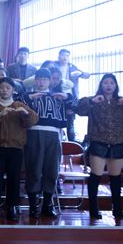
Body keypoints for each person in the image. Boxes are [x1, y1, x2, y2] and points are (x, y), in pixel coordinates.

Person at [0, 77, 38, 220]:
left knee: (14, 178)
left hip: (16, 148)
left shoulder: (19, 104)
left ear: (13, 90)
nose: (5, 90)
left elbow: (33, 120)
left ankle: (12, 207)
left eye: (8, 88)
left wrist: (25, 113)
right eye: (2, 87)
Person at [22, 68, 74, 218]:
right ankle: (33, 206)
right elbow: (18, 102)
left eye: (45, 79)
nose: (41, 82)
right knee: (34, 169)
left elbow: (75, 103)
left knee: (52, 170)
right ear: (35, 80)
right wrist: (30, 97)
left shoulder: (57, 96)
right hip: (34, 133)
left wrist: (66, 96)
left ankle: (47, 204)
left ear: (50, 81)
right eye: (39, 79)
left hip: (54, 134)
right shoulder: (28, 95)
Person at [75, 74, 123, 219]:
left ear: (116, 86)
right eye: (105, 82)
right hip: (98, 142)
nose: (108, 85)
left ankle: (117, 209)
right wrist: (92, 101)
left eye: (112, 83)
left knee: (116, 178)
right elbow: (79, 110)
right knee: (95, 175)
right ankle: (93, 209)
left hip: (117, 142)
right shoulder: (93, 100)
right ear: (101, 85)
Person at [53, 49, 90, 142]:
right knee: (57, 118)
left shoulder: (72, 67)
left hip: (70, 97)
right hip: (57, 96)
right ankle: (57, 141)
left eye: (67, 55)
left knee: (70, 121)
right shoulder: (54, 66)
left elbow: (87, 75)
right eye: (63, 55)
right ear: (58, 57)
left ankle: (72, 143)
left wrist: (80, 73)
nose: (65, 57)